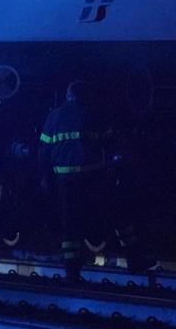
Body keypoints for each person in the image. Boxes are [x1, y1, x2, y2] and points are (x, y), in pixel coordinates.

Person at [38, 81, 113, 282]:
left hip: (64, 179)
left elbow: (44, 150)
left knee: (69, 223)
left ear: (68, 95)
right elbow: (108, 142)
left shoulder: (54, 116)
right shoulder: (92, 114)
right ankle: (124, 255)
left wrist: (45, 177)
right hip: (91, 177)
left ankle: (72, 268)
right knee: (99, 214)